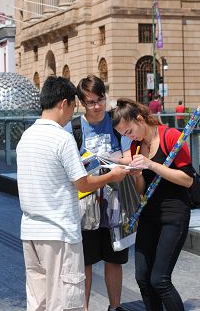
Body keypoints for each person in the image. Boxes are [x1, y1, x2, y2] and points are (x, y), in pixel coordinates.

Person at [16, 76, 129, 311]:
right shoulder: (63, 137)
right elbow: (84, 184)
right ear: (64, 103)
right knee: (65, 301)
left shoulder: (26, 137)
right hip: (59, 233)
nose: (72, 113)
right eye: (76, 106)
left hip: (30, 232)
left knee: (38, 301)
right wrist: (111, 176)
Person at [112, 98, 194, 311]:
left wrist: (151, 164)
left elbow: (187, 179)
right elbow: (142, 191)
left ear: (139, 119)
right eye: (124, 135)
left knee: (160, 279)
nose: (129, 137)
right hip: (149, 214)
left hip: (174, 213)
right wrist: (137, 175)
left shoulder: (171, 136)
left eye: (129, 131)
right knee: (142, 276)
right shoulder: (136, 145)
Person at [67, 75, 131, 311]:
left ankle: (115, 307)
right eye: (91, 102)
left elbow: (128, 156)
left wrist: (118, 162)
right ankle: (83, 307)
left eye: (100, 100)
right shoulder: (74, 128)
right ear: (82, 103)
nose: (96, 107)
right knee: (85, 261)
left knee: (114, 259)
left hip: (115, 204)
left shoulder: (116, 122)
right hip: (85, 205)